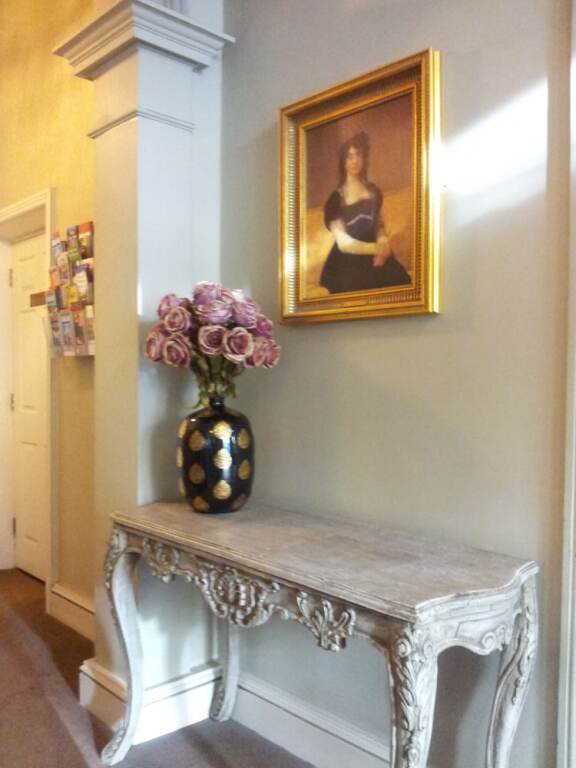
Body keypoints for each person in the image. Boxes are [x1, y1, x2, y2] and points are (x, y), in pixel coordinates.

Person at [319, 131, 410, 294]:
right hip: (347, 261)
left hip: (376, 253)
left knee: (402, 282)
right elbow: (344, 243)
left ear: (364, 158)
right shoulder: (335, 199)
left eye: (358, 155)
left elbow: (379, 226)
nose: (355, 161)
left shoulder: (374, 191)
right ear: (343, 162)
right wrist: (376, 249)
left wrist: (383, 247)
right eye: (349, 157)